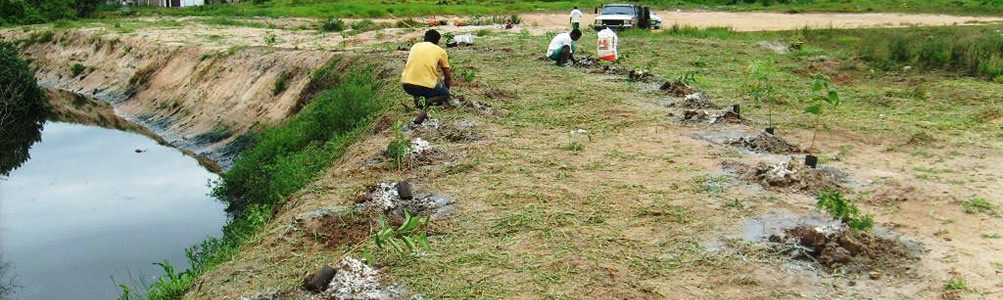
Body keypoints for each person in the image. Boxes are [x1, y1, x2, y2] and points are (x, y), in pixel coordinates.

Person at [402, 30, 452, 108]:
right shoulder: (441, 51)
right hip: (424, 87)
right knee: (445, 94)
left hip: (406, 85)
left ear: (425, 38)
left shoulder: (415, 46)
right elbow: (448, 76)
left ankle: (417, 97)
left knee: (420, 84)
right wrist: (446, 91)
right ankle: (425, 102)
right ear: (437, 41)